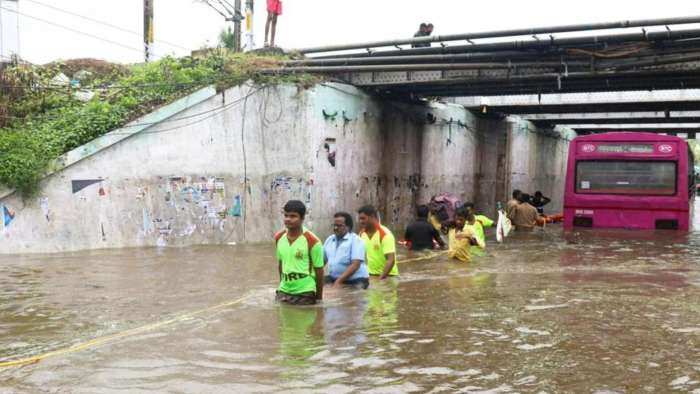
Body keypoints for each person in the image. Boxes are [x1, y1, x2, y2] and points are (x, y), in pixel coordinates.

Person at [274, 200, 324, 305]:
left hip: (305, 292)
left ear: (302, 218)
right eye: (286, 215)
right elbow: (280, 264)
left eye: (293, 216)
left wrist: (319, 299)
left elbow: (319, 271)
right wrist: (281, 284)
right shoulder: (279, 237)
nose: (288, 219)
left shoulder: (313, 241)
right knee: (282, 320)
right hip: (284, 290)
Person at [323, 212, 369, 289]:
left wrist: (338, 282)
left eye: (339, 226)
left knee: (348, 296)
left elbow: (355, 265)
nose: (335, 228)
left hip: (356, 281)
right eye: (334, 225)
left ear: (348, 227)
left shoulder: (356, 240)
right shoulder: (329, 240)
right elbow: (321, 262)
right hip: (334, 278)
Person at [358, 205, 398, 280]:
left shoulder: (385, 234)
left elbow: (391, 260)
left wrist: (380, 279)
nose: (361, 221)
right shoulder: (361, 234)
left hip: (389, 276)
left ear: (372, 216)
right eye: (359, 219)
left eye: (363, 218)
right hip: (371, 275)